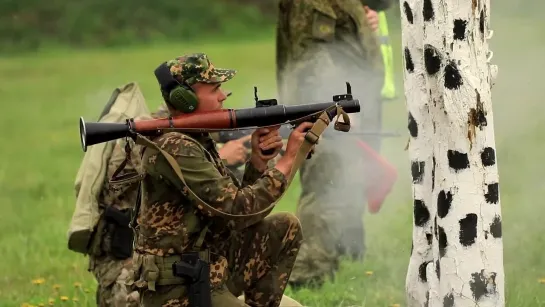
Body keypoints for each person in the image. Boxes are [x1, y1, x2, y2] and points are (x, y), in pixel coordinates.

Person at [126, 53, 316, 306]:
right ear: (186, 99)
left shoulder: (196, 139)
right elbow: (235, 209)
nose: (223, 95)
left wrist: (258, 164)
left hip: (208, 271)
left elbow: (238, 217)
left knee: (285, 227)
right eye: (214, 88)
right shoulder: (175, 146)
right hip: (179, 290)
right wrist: (288, 159)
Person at [276, 0, 391, 288]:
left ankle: (346, 254)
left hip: (352, 103)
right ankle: (309, 273)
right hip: (330, 109)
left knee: (350, 180)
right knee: (327, 184)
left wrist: (367, 18)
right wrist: (339, 112)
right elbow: (312, 60)